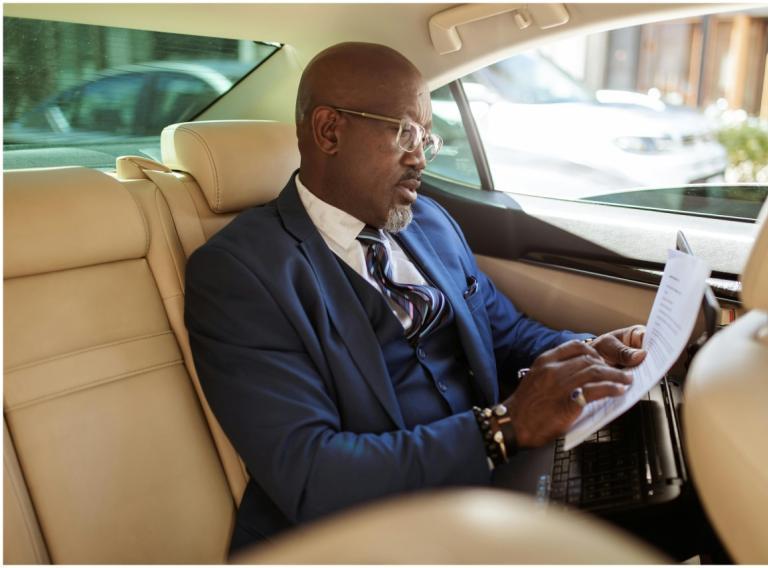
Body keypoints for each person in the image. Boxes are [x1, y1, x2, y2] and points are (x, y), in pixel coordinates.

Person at [184, 42, 646, 555]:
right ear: (329, 131)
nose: (420, 158)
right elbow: (313, 473)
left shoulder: (429, 222)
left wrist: (587, 354)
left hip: (485, 492)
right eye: (405, 133)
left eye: (427, 138)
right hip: (357, 539)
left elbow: (509, 335)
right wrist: (503, 428)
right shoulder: (240, 274)